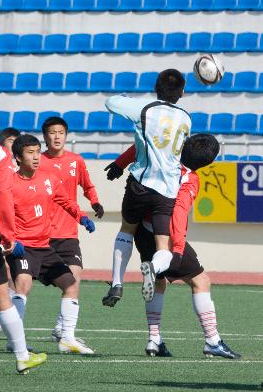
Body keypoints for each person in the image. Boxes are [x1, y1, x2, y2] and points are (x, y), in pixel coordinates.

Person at [103, 134, 241, 360]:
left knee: (159, 284)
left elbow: (142, 143)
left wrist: (120, 163)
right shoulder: (190, 178)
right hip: (165, 235)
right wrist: (177, 248)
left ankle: (154, 339)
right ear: (208, 163)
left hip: (141, 228)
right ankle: (212, 340)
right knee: (201, 281)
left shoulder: (164, 155)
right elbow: (178, 213)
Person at [105, 69, 191, 303]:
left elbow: (110, 103)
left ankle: (116, 283)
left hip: (140, 184)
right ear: (182, 92)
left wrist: (125, 97)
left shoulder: (145, 108)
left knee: (127, 230)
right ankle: (153, 267)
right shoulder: (186, 117)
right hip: (168, 190)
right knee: (163, 243)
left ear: (156, 88)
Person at [7, 134, 95, 355]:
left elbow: (65, 200)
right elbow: (0, 217)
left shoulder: (48, 179)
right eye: (30, 153)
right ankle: (14, 340)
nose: (36, 157)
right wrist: (10, 240)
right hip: (22, 247)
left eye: (38, 152)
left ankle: (67, 339)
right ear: (17, 157)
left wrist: (82, 217)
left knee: (71, 285)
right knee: (23, 286)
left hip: (44, 247)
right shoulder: (9, 184)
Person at [40, 116, 104, 342]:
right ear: (45, 137)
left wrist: (94, 202)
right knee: (20, 282)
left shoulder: (76, 161)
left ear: (66, 136)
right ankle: (3, 319)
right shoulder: (37, 161)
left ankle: (62, 330)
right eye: (52, 132)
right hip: (41, 233)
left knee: (74, 278)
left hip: (68, 233)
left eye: (61, 132)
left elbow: (87, 185)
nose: (57, 136)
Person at [0, 142, 47, 373]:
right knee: (3, 298)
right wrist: (8, 236)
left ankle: (23, 355)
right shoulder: (0, 155)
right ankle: (22, 356)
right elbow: (3, 195)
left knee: (3, 296)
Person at [0, 127, 20, 336]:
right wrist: (7, 234)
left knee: (12, 279)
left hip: (11, 230)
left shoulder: (20, 170)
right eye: (12, 140)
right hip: (4, 231)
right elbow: (3, 197)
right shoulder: (2, 162)